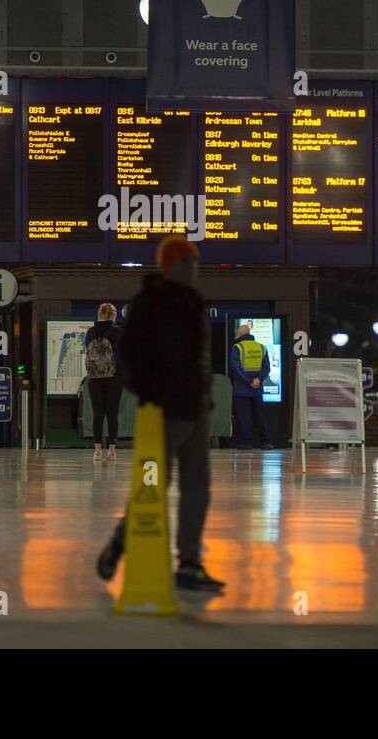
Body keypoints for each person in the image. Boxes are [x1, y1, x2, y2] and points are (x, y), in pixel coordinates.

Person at [96, 235, 224, 592]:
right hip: (163, 412)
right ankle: (119, 544)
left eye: (194, 263)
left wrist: (203, 396)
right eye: (186, 263)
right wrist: (151, 393)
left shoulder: (195, 302)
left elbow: (199, 358)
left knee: (197, 488)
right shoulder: (149, 302)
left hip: (194, 409)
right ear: (172, 266)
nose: (192, 270)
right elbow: (130, 354)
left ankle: (189, 563)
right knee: (152, 486)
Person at [85, 302, 123, 461]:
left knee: (98, 413)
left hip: (94, 378)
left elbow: (87, 350)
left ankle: (97, 451)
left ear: (99, 314)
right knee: (112, 414)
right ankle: (112, 451)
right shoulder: (117, 331)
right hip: (114, 377)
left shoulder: (90, 332)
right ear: (113, 315)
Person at [229, 320, 273, 450]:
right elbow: (267, 367)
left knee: (244, 417)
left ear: (241, 333)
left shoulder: (237, 348)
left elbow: (236, 368)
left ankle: (247, 443)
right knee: (259, 415)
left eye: (238, 334)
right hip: (257, 389)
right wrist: (258, 379)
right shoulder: (261, 347)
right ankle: (265, 442)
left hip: (242, 389)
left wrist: (249, 381)